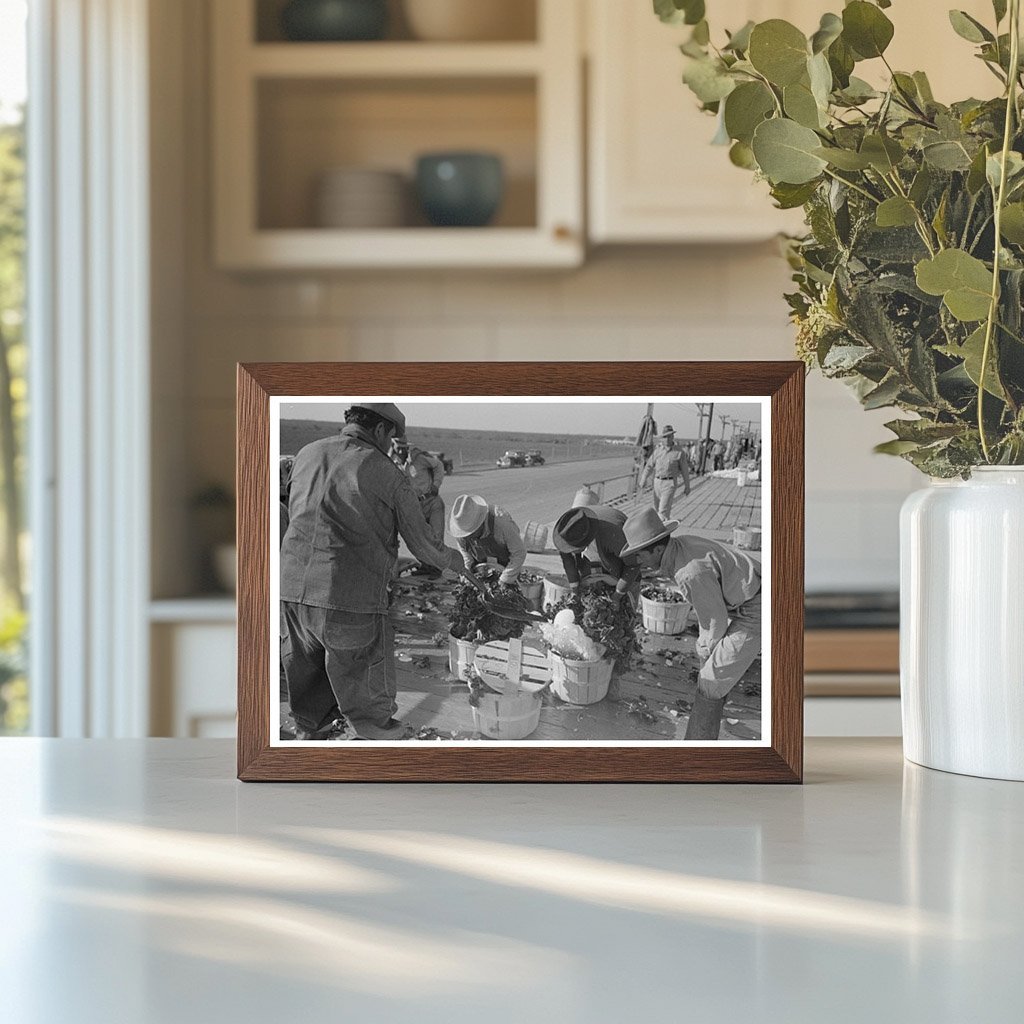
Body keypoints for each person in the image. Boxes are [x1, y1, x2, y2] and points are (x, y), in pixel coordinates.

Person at [280, 402, 472, 741]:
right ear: (381, 430)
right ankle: (379, 763)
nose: (390, 446)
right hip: (349, 598)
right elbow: (426, 546)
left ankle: (311, 743)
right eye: (390, 438)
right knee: (369, 701)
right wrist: (464, 567)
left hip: (291, 593)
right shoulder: (385, 472)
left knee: (307, 685)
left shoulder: (307, 453)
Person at [620, 508, 761, 740]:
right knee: (715, 669)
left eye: (640, 554)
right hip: (750, 590)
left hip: (758, 605)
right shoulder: (681, 545)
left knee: (710, 681)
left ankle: (696, 751)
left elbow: (714, 624)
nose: (638, 560)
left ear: (657, 549)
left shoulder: (688, 573)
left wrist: (705, 653)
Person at [552, 503, 640, 603]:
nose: (571, 551)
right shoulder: (566, 531)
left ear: (586, 540)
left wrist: (617, 595)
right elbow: (567, 560)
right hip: (603, 548)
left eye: (574, 549)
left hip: (619, 548)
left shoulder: (613, 535)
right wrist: (575, 588)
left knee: (627, 599)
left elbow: (633, 564)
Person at [449, 494, 526, 585]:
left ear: (480, 523)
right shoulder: (461, 527)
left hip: (506, 567)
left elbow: (519, 552)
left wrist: (504, 580)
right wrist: (467, 572)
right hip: (480, 568)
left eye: (471, 533)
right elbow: (465, 552)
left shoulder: (501, 522)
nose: (468, 537)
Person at [392, 438, 446, 549]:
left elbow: (439, 465)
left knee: (437, 540)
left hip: (432, 503)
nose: (401, 451)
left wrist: (436, 484)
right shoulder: (394, 465)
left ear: (407, 448)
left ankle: (440, 566)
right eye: (399, 448)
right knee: (421, 543)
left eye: (404, 448)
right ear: (394, 448)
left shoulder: (419, 459)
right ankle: (428, 566)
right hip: (415, 508)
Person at [639, 425, 691, 519]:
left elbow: (685, 471)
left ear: (673, 437)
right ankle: (666, 530)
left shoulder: (679, 452)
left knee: (662, 511)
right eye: (665, 437)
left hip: (669, 483)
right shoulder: (657, 451)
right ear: (662, 438)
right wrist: (643, 479)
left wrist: (687, 486)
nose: (667, 439)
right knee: (658, 509)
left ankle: (663, 530)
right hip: (657, 483)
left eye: (669, 436)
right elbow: (649, 466)